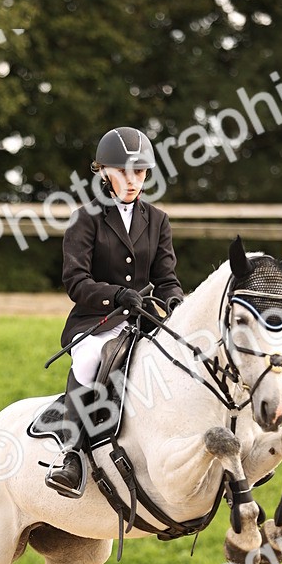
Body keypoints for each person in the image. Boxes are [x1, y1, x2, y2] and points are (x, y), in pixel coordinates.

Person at [45, 126, 184, 498]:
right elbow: (76, 281)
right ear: (103, 171)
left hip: (143, 321)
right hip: (97, 321)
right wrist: (117, 294)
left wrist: (176, 303)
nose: (132, 180)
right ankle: (71, 454)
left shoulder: (158, 220)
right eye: (123, 172)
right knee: (90, 358)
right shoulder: (85, 218)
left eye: (140, 172)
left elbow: (166, 279)